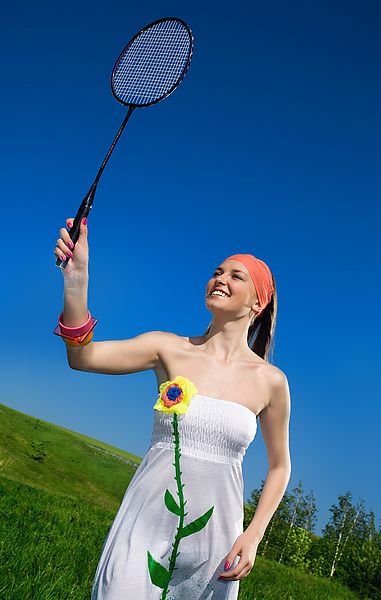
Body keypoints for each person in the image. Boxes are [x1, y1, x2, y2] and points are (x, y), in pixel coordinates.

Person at [53, 216, 292, 599]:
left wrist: (254, 534)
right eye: (217, 271)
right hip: (145, 523)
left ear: (258, 303)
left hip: (216, 541)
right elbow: (83, 357)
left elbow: (280, 466)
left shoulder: (271, 382)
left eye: (236, 276)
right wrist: (76, 279)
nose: (220, 279)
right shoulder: (168, 347)